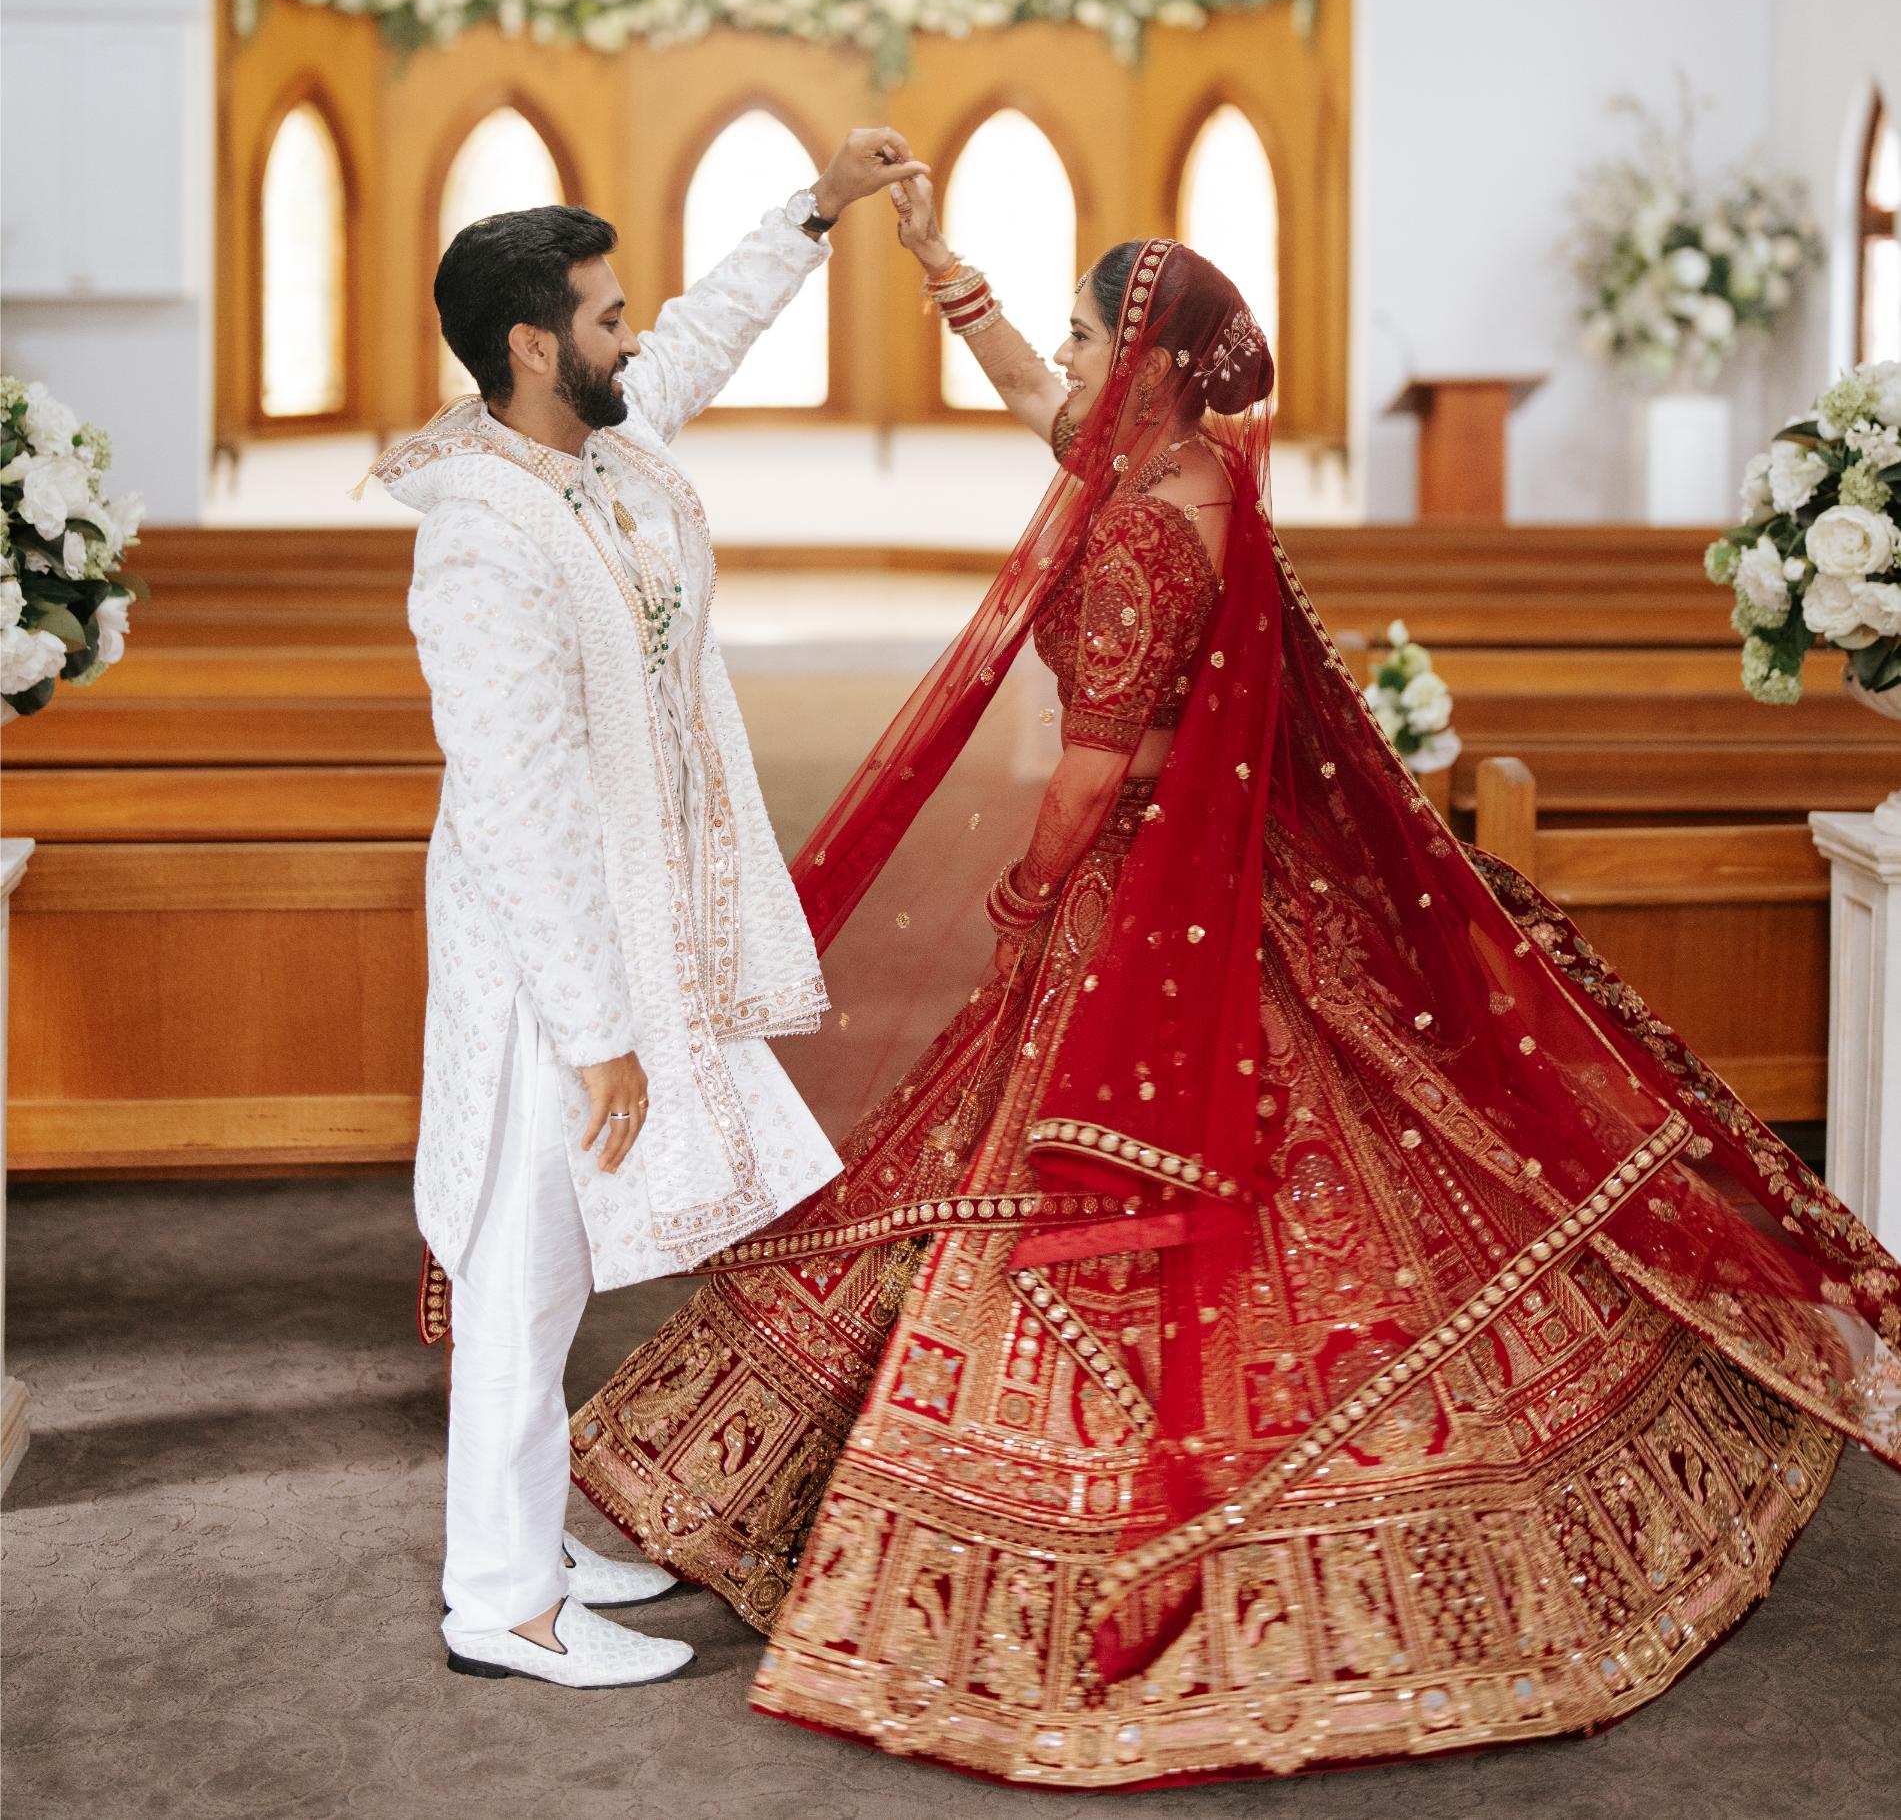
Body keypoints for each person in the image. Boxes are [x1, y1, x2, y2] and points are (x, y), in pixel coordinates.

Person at [572, 182, 1901, 1782]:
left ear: (1141, 357)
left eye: (1083, 334)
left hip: (1140, 887)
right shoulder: (1183, 466)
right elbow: (1037, 399)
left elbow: (1093, 763)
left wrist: (1029, 886)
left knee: (1053, 1170)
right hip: (1225, 873)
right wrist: (944, 272)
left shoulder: (1143, 525)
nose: (1064, 358)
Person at [369, 132, 925, 1689]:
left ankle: (530, 1547)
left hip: (627, 928)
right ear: (532, 346)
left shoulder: (597, 451)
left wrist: (813, 210)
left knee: (547, 1264)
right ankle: (501, 1604)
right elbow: (518, 804)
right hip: (542, 961)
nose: (633, 336)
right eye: (605, 318)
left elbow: (699, 339)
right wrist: (596, 1029)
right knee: (518, 1266)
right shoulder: (481, 532)